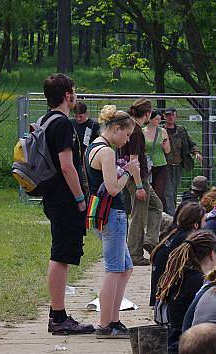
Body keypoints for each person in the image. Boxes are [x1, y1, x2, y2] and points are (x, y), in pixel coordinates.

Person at [41, 73, 95, 336]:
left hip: (52, 196)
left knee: (60, 254)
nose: (76, 96)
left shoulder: (45, 120)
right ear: (67, 96)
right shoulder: (62, 124)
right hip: (64, 199)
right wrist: (80, 198)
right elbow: (67, 166)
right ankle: (58, 316)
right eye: (74, 91)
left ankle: (58, 313)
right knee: (61, 255)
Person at [85, 106, 141, 339]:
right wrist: (128, 172)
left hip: (103, 214)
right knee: (114, 269)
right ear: (116, 129)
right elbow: (112, 188)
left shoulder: (93, 147)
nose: (127, 140)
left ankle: (113, 319)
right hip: (113, 214)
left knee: (125, 268)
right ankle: (105, 324)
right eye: (126, 134)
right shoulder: (107, 152)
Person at [156, 230, 216, 354]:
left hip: (174, 342)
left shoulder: (184, 274)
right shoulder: (198, 282)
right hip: (185, 347)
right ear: (212, 254)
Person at [120, 98, 162, 266]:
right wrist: (138, 186)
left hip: (135, 177)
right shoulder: (136, 132)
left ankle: (150, 240)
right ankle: (134, 253)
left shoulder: (129, 127)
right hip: (137, 178)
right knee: (138, 215)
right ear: (147, 113)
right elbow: (134, 160)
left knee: (156, 205)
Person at [149, 202, 206, 306]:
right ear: (196, 224)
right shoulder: (188, 239)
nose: (205, 224)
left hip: (158, 295)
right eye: (204, 221)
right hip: (168, 299)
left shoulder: (173, 233)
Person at [163, 107, 203, 214]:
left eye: (172, 115)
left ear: (176, 116)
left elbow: (190, 144)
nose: (170, 117)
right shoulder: (161, 131)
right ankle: (170, 214)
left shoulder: (181, 130)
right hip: (165, 165)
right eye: (168, 115)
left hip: (178, 165)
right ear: (164, 116)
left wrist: (196, 153)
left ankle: (170, 212)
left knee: (174, 190)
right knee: (168, 191)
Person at [143, 109, 171, 211]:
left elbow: (168, 151)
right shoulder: (142, 132)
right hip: (148, 166)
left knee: (159, 192)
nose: (159, 121)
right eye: (156, 119)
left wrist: (165, 145)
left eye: (160, 119)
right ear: (150, 119)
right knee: (150, 191)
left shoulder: (162, 131)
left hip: (161, 165)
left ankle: (163, 212)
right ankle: (151, 211)